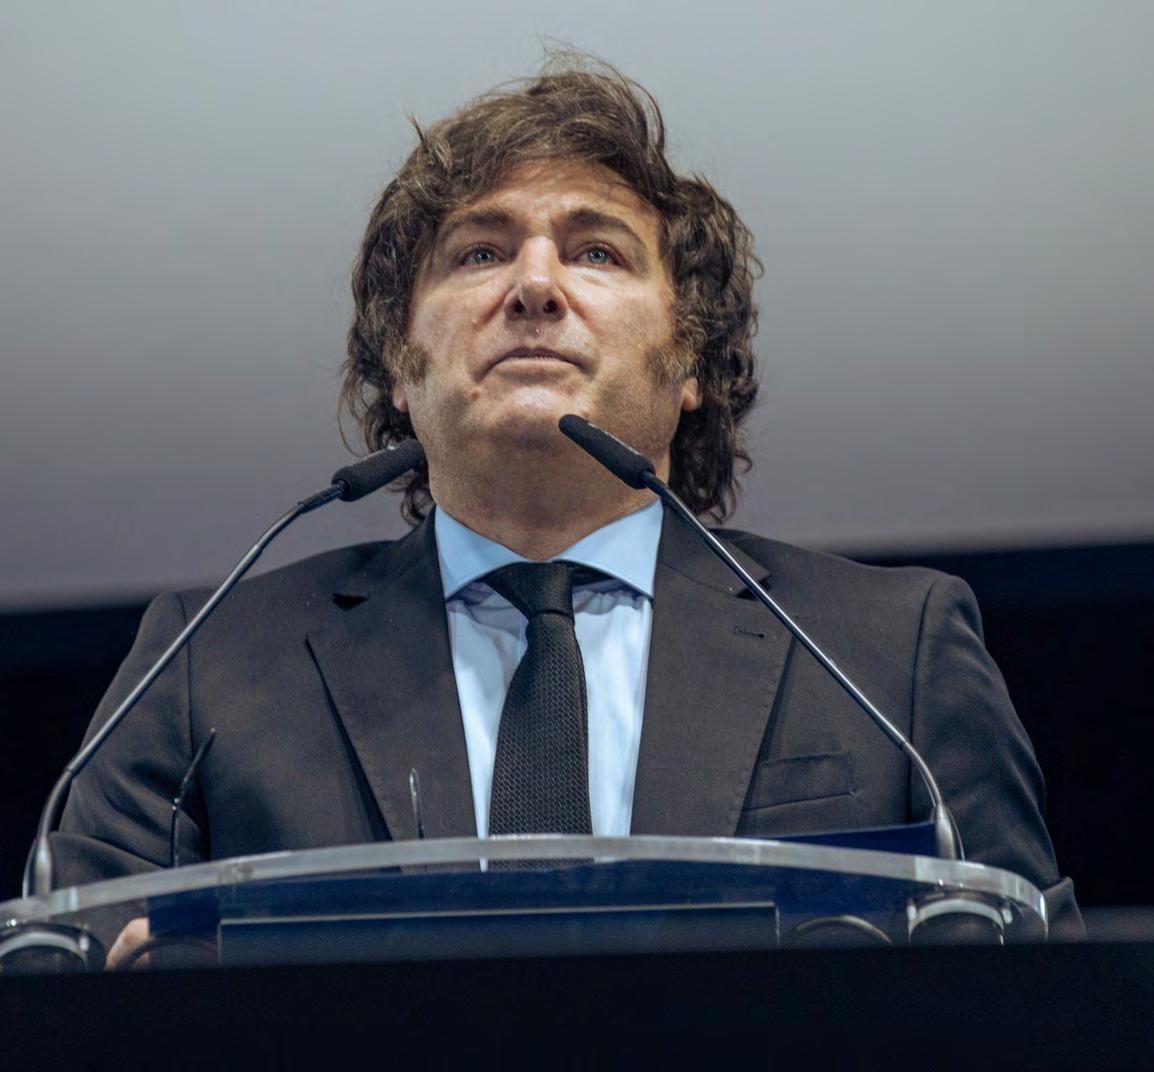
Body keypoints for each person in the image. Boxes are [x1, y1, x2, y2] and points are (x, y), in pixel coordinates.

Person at [54, 56, 1081, 954]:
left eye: (596, 252)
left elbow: (1043, 1000)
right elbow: (57, 985)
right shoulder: (209, 663)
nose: (534, 286)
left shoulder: (885, 656)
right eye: (479, 252)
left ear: (689, 364)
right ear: (402, 368)